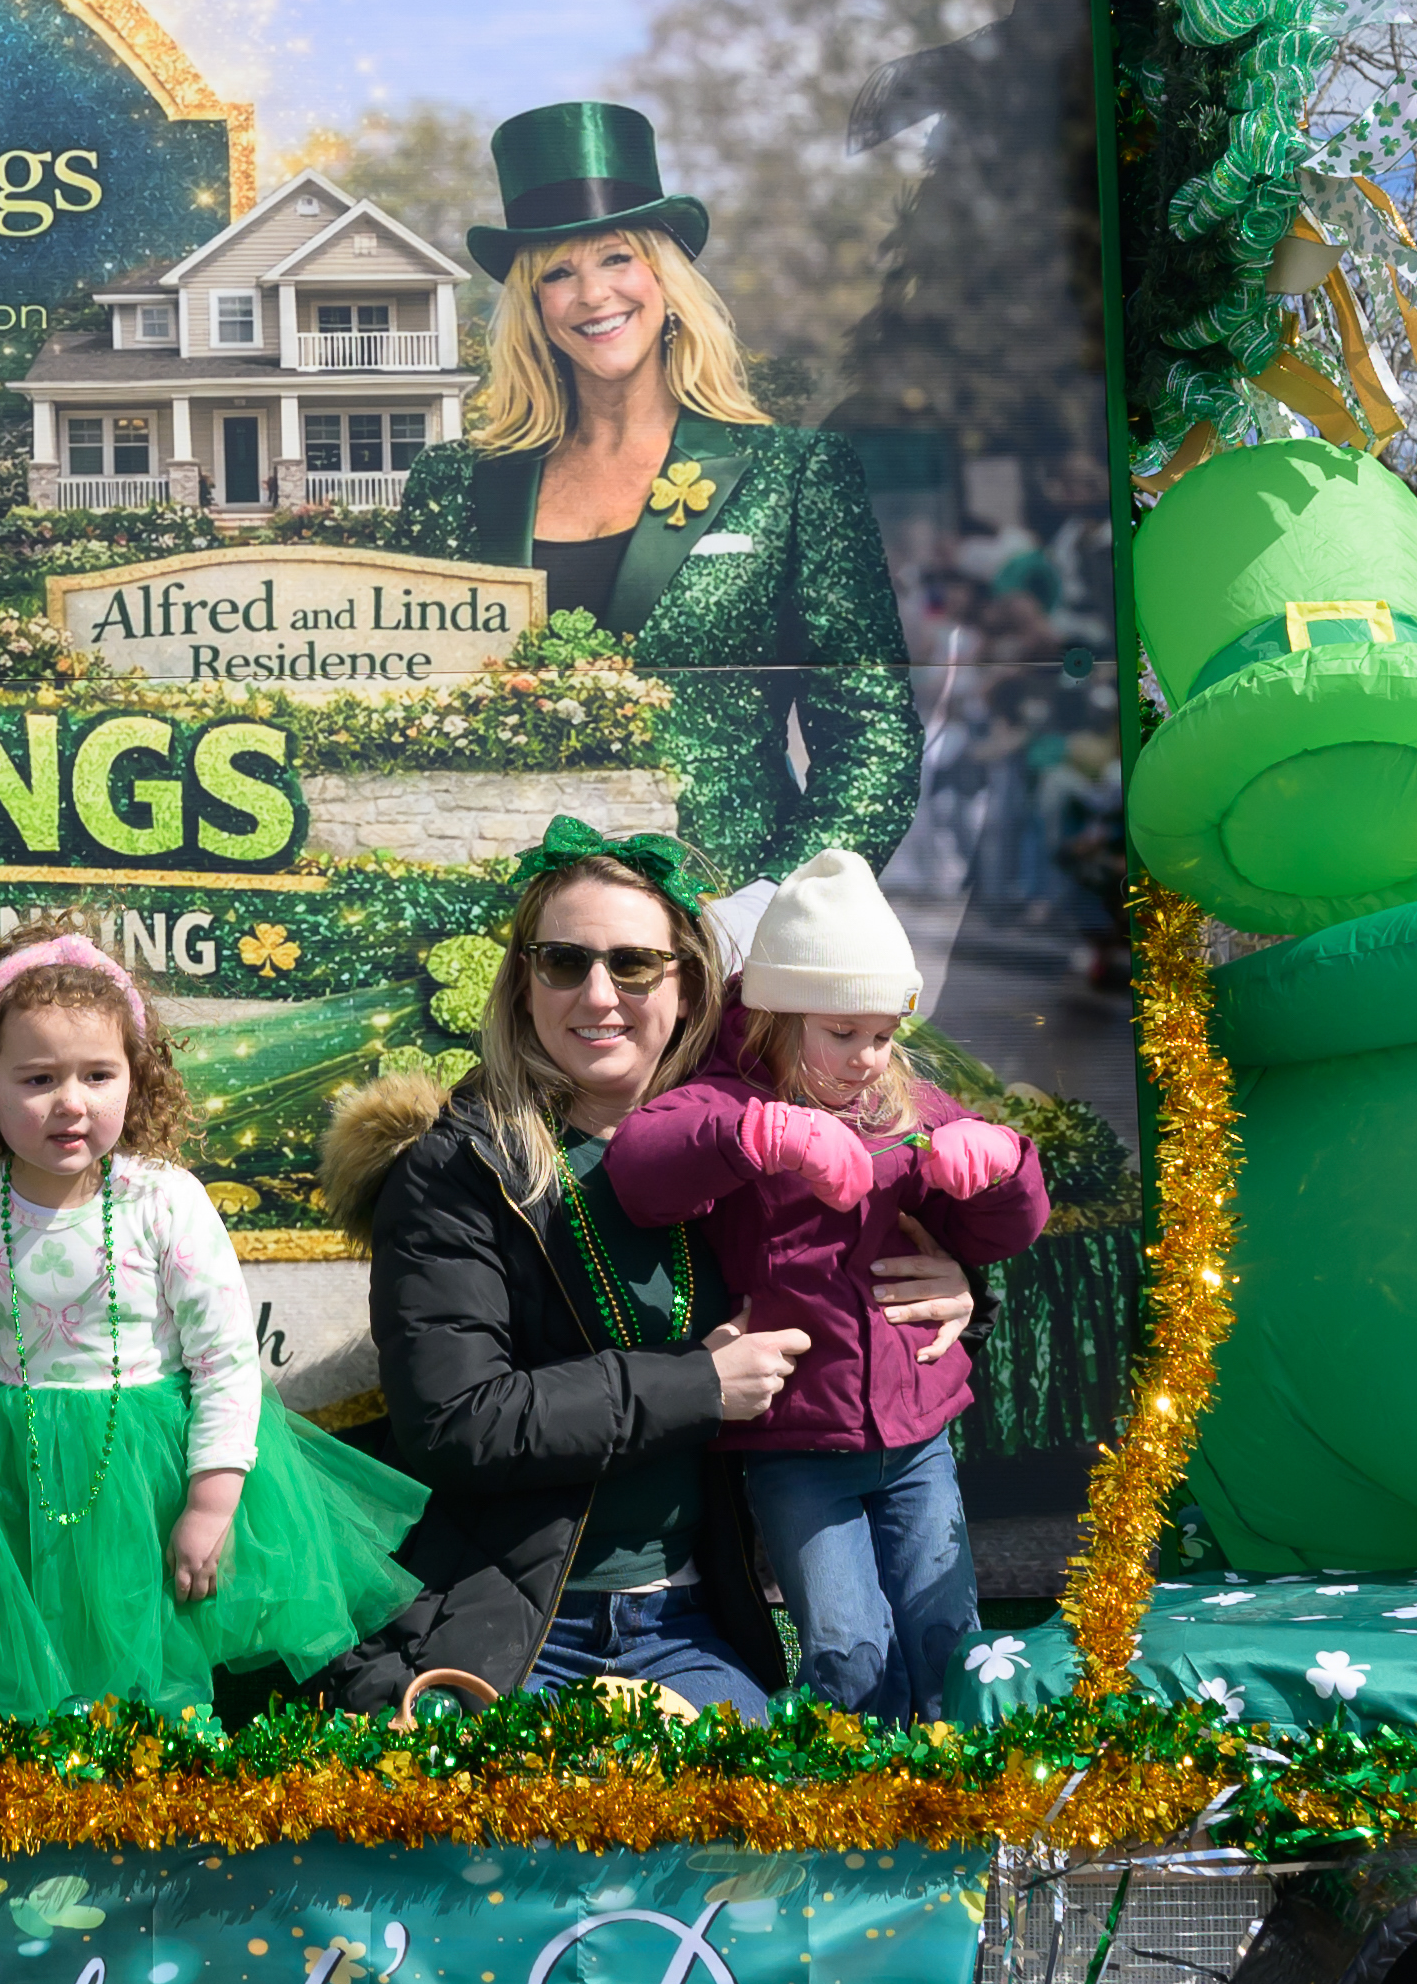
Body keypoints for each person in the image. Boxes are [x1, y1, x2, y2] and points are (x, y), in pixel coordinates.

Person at [315, 818, 982, 1721]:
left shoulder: (755, 1139)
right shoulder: (458, 1170)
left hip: (691, 1627)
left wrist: (953, 1294)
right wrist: (698, 1382)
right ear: (523, 981)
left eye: (633, 964)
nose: (598, 994)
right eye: (563, 961)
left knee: (762, 1838)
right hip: (515, 1631)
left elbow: (864, 1295)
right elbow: (455, 1420)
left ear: (688, 981)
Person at [0, 935, 427, 1717]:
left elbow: (224, 1359)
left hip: (152, 1475)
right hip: (16, 1469)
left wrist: (212, 1500)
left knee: (152, 1681)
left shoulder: (163, 1200)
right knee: (33, 1676)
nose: (71, 1101)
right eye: (38, 1078)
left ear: (135, 1081)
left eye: (98, 1075)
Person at [402, 101, 918, 890]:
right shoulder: (454, 485)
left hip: (721, 936)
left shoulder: (793, 474)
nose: (592, 294)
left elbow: (871, 737)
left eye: (615, 259)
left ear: (665, 278)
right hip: (503, 927)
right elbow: (406, 714)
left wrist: (764, 914)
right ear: (534, 308)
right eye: (558, 273)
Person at [603, 847, 1048, 1721]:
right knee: (847, 1648)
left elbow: (1004, 1227)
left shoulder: (903, 1100)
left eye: (882, 1034)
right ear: (773, 1018)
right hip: (795, 1448)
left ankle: (957, 1804)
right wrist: (760, 1137)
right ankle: (856, 1809)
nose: (864, 1058)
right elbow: (641, 1168)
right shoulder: (723, 1098)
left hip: (916, 1435)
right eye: (840, 1034)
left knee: (946, 1628)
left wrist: (1001, 1166)